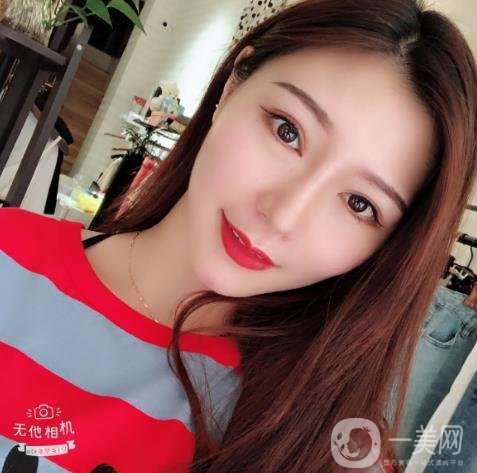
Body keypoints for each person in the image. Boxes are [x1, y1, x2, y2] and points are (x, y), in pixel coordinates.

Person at [0, 0, 476, 471]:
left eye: (359, 203)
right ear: (233, 85)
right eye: (288, 131)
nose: (283, 216)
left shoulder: (325, 447)